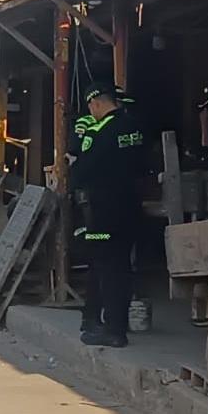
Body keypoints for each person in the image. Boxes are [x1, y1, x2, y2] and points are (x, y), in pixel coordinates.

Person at [72, 83, 148, 348]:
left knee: (106, 266)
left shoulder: (100, 131)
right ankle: (111, 321)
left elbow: (82, 171)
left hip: (103, 210)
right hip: (131, 207)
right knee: (123, 265)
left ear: (96, 104)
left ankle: (113, 329)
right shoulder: (135, 127)